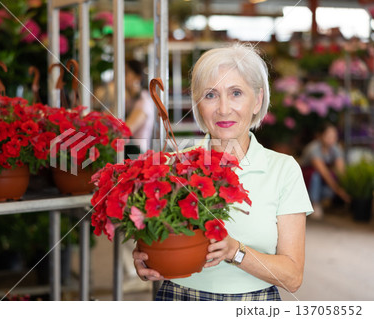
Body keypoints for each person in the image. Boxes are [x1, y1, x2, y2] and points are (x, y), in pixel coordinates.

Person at [132, 43, 313, 301]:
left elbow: (293, 277)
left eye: (236, 93)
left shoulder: (284, 170)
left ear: (257, 100)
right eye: (210, 95)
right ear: (197, 104)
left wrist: (234, 251)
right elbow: (153, 245)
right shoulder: (172, 165)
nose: (224, 108)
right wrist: (145, 258)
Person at [300, 123, 350, 219]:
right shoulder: (313, 148)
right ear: (320, 136)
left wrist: (346, 188)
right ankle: (315, 203)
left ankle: (323, 202)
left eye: (334, 137)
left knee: (333, 176)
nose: (331, 139)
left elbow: (341, 171)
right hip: (307, 179)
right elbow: (324, 172)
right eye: (328, 136)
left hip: (323, 180)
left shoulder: (336, 149)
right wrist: (339, 191)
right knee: (316, 175)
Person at [124, 60, 155, 154]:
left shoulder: (143, 102)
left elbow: (125, 131)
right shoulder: (131, 100)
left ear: (137, 77)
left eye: (125, 72)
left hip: (136, 156)